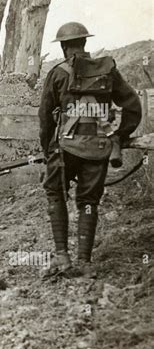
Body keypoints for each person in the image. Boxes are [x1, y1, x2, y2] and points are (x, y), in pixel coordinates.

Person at [39, 22, 142, 277]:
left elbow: (44, 117)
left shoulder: (58, 73)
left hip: (64, 149)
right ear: (85, 43)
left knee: (55, 193)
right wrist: (118, 135)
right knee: (88, 202)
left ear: (63, 47)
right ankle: (84, 261)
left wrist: (46, 149)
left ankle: (62, 255)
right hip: (98, 148)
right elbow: (133, 106)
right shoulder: (107, 71)